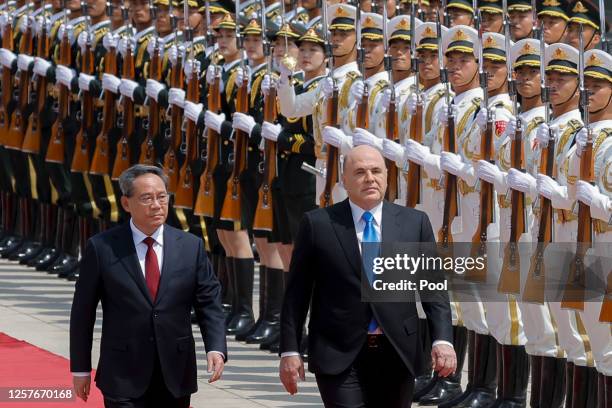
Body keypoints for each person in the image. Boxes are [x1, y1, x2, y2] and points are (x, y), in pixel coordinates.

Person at [279, 145, 455, 407]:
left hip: (397, 352)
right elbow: (296, 295)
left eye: (376, 171)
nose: (370, 178)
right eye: (360, 172)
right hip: (338, 351)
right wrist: (290, 351)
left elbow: (434, 290)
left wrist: (442, 340)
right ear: (344, 180)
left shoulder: (414, 223)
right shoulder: (318, 224)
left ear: (387, 176)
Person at [69, 164, 227, 408]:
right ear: (125, 203)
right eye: (146, 198)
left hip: (175, 373)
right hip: (122, 373)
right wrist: (80, 368)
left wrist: (216, 347)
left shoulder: (190, 246)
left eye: (162, 197)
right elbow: (83, 312)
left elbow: (209, 303)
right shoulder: (103, 248)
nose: (156, 205)